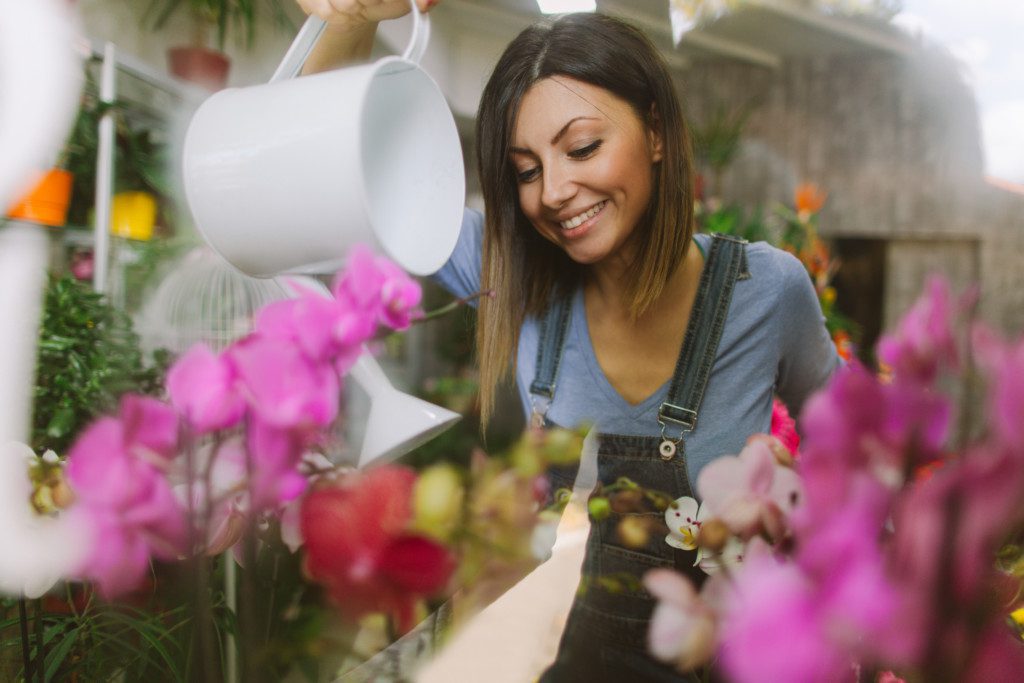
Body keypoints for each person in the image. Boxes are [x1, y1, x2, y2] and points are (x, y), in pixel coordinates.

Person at [296, 1, 840, 680]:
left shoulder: (766, 291)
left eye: (582, 148)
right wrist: (350, 21)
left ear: (658, 130)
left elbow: (863, 460)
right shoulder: (512, 271)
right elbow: (329, 183)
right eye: (526, 170)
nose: (554, 191)